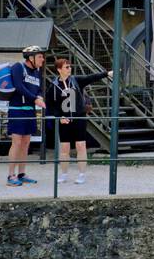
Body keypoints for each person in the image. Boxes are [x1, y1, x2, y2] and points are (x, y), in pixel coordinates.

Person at [46, 57, 111, 185]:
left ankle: (82, 174)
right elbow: (50, 104)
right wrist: (59, 117)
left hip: (79, 117)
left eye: (70, 66)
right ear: (59, 70)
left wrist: (106, 73)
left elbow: (90, 77)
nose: (70, 69)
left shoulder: (75, 81)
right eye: (67, 67)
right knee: (64, 148)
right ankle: (64, 174)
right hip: (65, 120)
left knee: (81, 146)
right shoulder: (53, 86)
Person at [6, 46, 47, 186]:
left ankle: (21, 173)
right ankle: (10, 176)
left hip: (30, 110)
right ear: (31, 58)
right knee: (16, 143)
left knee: (25, 144)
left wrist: (39, 96)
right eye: (40, 56)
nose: (43, 59)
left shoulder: (37, 71)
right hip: (17, 109)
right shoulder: (18, 67)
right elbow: (19, 86)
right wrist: (35, 99)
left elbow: (40, 88)